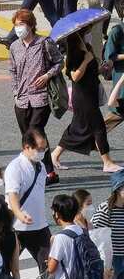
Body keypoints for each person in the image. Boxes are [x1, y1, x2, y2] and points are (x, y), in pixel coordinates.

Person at [54, 33, 120, 174]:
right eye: (86, 34)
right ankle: (107, 162)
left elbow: (91, 72)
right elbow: (75, 76)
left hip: (91, 94)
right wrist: (85, 60)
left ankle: (55, 154)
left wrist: (103, 68)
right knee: (99, 128)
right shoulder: (74, 54)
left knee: (77, 128)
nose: (89, 36)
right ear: (77, 38)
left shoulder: (87, 49)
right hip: (83, 97)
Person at [6, 129, 56, 279]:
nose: (42, 152)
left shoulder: (41, 166)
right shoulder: (15, 168)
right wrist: (20, 214)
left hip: (40, 225)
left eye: (44, 149)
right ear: (27, 147)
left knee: (49, 263)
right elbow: (12, 196)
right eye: (40, 148)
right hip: (17, 228)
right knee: (5, 266)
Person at [8, 10, 60, 179]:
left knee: (35, 132)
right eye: (16, 25)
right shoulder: (14, 46)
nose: (18, 28)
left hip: (41, 98)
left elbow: (59, 62)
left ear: (30, 25)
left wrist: (47, 75)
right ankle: (48, 172)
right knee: (29, 137)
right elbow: (13, 70)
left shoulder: (44, 43)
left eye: (21, 25)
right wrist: (16, 92)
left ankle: (39, 171)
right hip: (22, 100)